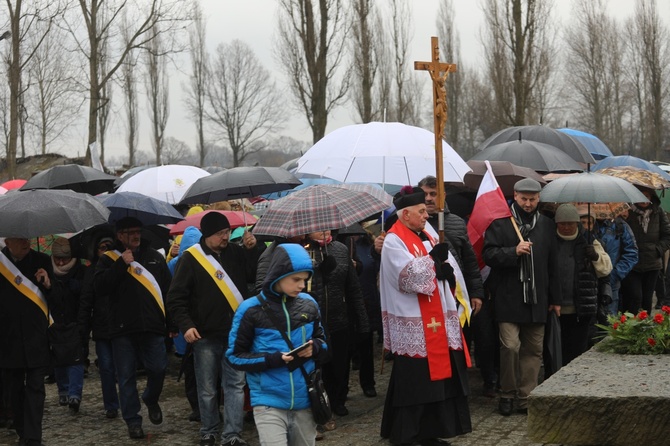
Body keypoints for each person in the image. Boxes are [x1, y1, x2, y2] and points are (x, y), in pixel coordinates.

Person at [379, 186, 473, 446]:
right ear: (405, 214)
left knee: (438, 382)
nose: (425, 215)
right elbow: (405, 276)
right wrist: (433, 263)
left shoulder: (428, 235)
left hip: (436, 318)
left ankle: (429, 431)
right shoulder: (393, 239)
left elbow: (448, 268)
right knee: (416, 384)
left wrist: (445, 269)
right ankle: (405, 435)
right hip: (412, 321)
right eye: (420, 212)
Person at [166, 212, 261, 446]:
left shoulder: (237, 253)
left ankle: (232, 435)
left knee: (235, 386)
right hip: (205, 335)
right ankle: (208, 430)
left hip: (235, 334)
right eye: (220, 233)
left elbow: (253, 274)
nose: (225, 237)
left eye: (227, 232)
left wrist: (254, 249)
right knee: (207, 388)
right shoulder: (191, 259)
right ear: (207, 235)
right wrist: (186, 325)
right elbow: (176, 298)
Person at [227, 243, 329, 446]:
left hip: (305, 401)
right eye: (296, 279)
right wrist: (272, 359)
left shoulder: (309, 304)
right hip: (268, 402)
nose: (301, 285)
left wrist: (315, 347)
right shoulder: (249, 309)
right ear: (278, 275)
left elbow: (324, 342)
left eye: (305, 280)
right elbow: (234, 356)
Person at [482, 178, 560, 416]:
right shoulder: (501, 223)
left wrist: (555, 299)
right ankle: (507, 393)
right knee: (511, 347)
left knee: (533, 350)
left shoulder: (546, 225)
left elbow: (553, 265)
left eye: (533, 199)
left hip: (537, 299)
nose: (528, 204)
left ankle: (526, 396)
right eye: (524, 199)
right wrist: (512, 252)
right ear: (515, 196)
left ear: (539, 199)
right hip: (508, 297)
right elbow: (488, 255)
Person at [94, 217, 173, 440]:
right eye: (130, 232)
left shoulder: (154, 257)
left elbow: (168, 291)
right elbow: (100, 288)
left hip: (152, 325)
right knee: (126, 376)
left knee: (158, 368)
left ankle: (150, 397)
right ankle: (133, 421)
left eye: (138, 231)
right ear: (119, 235)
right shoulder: (109, 260)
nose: (136, 236)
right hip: (122, 328)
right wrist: (121, 264)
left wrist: (172, 322)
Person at [418, 175, 490, 394]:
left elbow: (469, 262)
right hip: (428, 297)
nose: (429, 199)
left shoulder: (457, 223)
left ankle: (460, 388)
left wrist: (476, 293)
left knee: (461, 344)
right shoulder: (412, 225)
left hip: (457, 297)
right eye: (425, 194)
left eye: (433, 194)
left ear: (443, 195)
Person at [302, 230, 369, 419]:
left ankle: (339, 399)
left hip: (339, 317)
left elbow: (353, 287)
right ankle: (321, 403)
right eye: (318, 226)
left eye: (326, 225)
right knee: (320, 366)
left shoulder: (339, 249)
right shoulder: (301, 250)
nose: (324, 229)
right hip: (312, 322)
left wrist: (362, 320)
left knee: (340, 363)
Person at [0, 237, 53, 446]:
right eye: (19, 238)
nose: (26, 242)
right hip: (8, 337)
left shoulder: (41, 260)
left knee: (36, 387)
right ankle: (22, 429)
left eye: (27, 238)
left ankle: (33, 437)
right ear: (8, 241)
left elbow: (56, 297)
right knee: (14, 388)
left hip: (35, 335)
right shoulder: (2, 263)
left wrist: (48, 284)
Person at [553, 205, 612, 367]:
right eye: (562, 224)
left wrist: (594, 256)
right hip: (556, 307)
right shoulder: (550, 241)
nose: (566, 227)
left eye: (570, 224)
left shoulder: (589, 240)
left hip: (582, 307)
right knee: (558, 349)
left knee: (578, 348)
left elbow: (606, 269)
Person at [79, 234, 120, 419]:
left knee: (125, 369)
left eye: (108, 246)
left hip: (122, 325)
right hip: (102, 326)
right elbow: (86, 301)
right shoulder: (92, 271)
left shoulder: (122, 266)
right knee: (107, 368)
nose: (105, 250)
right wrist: (83, 328)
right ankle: (111, 405)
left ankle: (127, 404)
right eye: (102, 247)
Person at [167, 226, 203, 423]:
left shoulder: (173, 263)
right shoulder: (176, 265)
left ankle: (199, 407)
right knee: (193, 368)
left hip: (187, 324)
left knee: (193, 367)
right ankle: (198, 406)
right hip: (187, 324)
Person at [49, 237, 87, 414]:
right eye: (58, 258)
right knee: (59, 359)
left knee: (75, 360)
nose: (61, 262)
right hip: (55, 321)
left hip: (74, 321)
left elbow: (86, 297)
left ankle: (74, 394)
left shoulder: (80, 271)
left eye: (64, 258)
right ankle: (63, 389)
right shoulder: (48, 271)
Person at [622, 187, 670, 313]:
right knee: (635, 296)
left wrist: (658, 250)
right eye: (641, 196)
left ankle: (644, 327)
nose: (644, 200)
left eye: (647, 196)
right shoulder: (627, 212)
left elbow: (667, 235)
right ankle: (630, 327)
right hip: (632, 263)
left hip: (652, 263)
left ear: (651, 197)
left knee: (647, 299)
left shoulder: (658, 212)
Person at [580, 211, 638, 316]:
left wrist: (615, 274)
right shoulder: (586, 223)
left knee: (608, 320)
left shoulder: (620, 226)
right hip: (586, 283)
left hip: (610, 284)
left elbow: (632, 253)